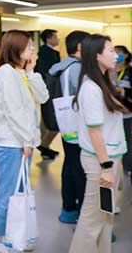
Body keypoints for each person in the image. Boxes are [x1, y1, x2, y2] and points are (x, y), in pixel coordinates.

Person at [0, 30, 48, 253]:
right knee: (7, 191)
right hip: (12, 143)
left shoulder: (20, 72)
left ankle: (11, 234)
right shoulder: (6, 73)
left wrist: (31, 71)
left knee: (18, 190)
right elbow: (14, 112)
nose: (33, 50)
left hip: (22, 142)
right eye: (29, 46)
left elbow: (43, 97)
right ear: (16, 48)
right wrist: (26, 141)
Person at [69, 35, 127, 253]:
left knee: (105, 215)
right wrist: (106, 167)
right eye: (111, 51)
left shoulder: (102, 83)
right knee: (92, 219)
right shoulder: (91, 89)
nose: (116, 55)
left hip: (110, 159)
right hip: (101, 163)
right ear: (97, 55)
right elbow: (94, 132)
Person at [48, 31, 90, 224]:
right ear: (80, 47)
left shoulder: (61, 67)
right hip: (80, 127)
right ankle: (84, 214)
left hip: (67, 126)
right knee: (82, 169)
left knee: (71, 165)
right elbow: (88, 99)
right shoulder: (78, 69)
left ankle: (68, 209)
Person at [36, 29, 61, 160]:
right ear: (49, 39)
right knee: (51, 118)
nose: (58, 39)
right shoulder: (49, 53)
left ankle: (44, 145)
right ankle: (43, 145)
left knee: (45, 118)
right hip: (50, 88)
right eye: (55, 37)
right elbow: (49, 72)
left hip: (46, 87)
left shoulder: (45, 51)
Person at [113, 46, 132, 182]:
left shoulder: (129, 72)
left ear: (126, 55)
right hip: (112, 113)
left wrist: (124, 92)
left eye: (119, 52)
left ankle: (128, 167)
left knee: (128, 140)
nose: (117, 55)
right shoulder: (109, 71)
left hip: (127, 112)